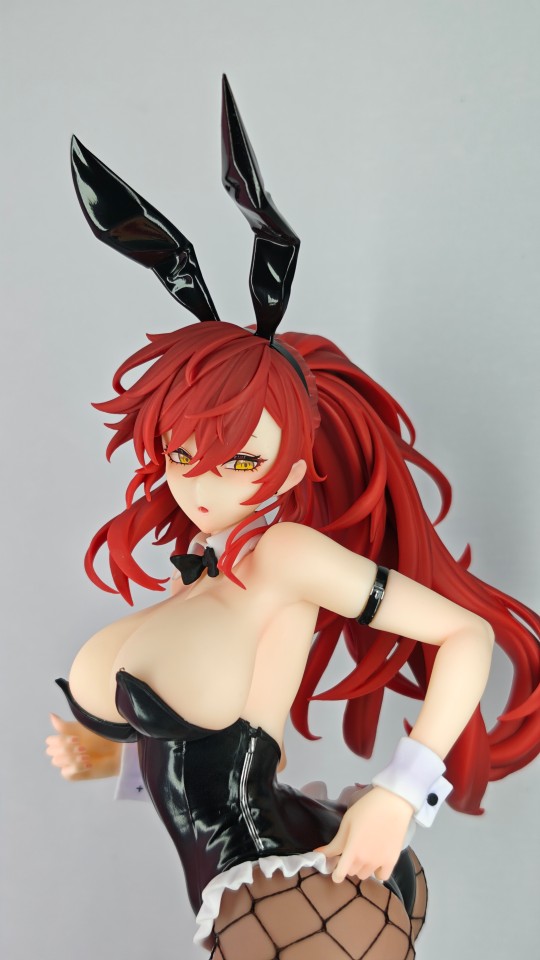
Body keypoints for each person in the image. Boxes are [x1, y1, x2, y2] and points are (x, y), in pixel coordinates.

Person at [46, 78, 539, 959]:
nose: (204, 482)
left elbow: (465, 635)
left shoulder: (283, 555)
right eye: (183, 451)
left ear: (299, 466)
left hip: (291, 898)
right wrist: (111, 754)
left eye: (241, 458)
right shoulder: (205, 571)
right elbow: (190, 747)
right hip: (248, 900)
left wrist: (401, 793)